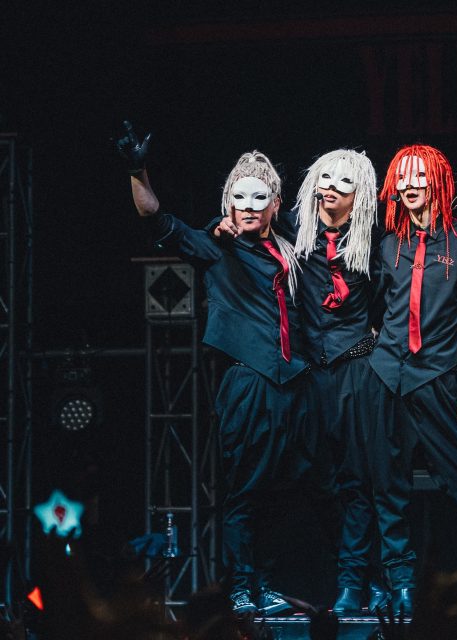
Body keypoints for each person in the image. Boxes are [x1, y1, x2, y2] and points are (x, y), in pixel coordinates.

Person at [115, 124, 323, 616]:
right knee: (245, 489)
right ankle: (240, 588)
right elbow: (157, 219)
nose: (248, 207)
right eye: (239, 199)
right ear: (228, 203)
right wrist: (137, 170)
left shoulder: (290, 252)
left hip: (294, 383)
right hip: (248, 380)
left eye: (259, 198)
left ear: (275, 204)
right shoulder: (217, 246)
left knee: (284, 490)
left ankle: (265, 584)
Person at [216, 148, 383, 615]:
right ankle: (256, 584)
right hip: (301, 380)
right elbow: (245, 217)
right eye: (325, 177)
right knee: (290, 484)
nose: (331, 186)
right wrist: (218, 225)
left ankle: (362, 580)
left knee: (353, 483)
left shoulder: (372, 238)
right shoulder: (295, 230)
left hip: (352, 373)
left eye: (344, 181)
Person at [366, 143, 457, 617]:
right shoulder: (387, 244)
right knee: (388, 487)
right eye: (402, 177)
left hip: (437, 375)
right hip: (388, 377)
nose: (410, 185)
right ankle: (399, 583)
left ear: (438, 179)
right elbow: (377, 306)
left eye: (420, 176)